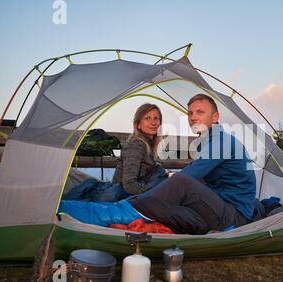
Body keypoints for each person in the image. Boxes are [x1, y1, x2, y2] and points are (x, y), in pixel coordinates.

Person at [127, 94, 256, 234]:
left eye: (200, 112)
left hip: (233, 216)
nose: (193, 117)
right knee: (167, 203)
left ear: (215, 117)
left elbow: (190, 176)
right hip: (218, 206)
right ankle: (133, 206)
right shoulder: (206, 142)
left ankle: (125, 210)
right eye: (190, 113)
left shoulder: (221, 143)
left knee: (180, 182)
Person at [63, 103, 167, 202]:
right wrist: (158, 191)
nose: (153, 122)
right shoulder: (136, 145)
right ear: (138, 125)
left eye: (156, 118)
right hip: (116, 197)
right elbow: (129, 185)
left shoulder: (150, 146)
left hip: (124, 193)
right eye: (147, 118)